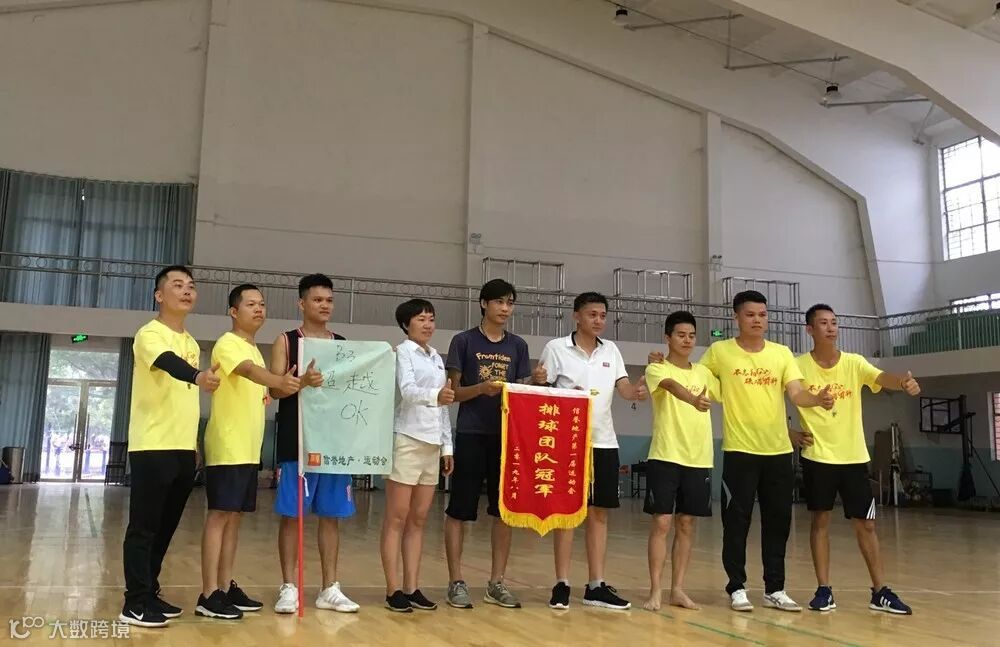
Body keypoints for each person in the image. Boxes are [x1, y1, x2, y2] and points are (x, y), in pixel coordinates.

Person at [652, 290, 833, 612]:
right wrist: (660, 362)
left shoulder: (781, 353)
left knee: (778, 523)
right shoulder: (719, 352)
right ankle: (736, 586)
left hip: (778, 453)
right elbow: (688, 372)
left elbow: (796, 393)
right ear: (737, 318)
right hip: (739, 451)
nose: (757, 320)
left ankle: (775, 588)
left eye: (762, 315)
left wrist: (816, 399)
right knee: (736, 523)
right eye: (750, 315)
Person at [793, 304, 918, 615]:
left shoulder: (854, 362)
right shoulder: (797, 366)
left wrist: (902, 382)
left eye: (834, 322)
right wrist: (788, 432)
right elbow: (774, 401)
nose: (830, 328)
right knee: (820, 521)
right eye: (823, 323)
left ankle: (880, 591)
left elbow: (881, 377)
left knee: (867, 524)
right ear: (810, 330)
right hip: (817, 455)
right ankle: (824, 590)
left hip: (853, 457)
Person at [120, 265, 220, 628]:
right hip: (152, 445)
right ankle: (134, 601)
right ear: (159, 295)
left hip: (181, 448)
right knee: (144, 527)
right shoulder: (149, 333)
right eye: (177, 285)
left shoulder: (191, 342)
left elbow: (185, 398)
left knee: (165, 528)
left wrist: (193, 445)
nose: (186, 290)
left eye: (190, 285)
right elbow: (167, 364)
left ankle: (150, 591)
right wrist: (198, 375)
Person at [536, 292, 647, 610]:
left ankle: (596, 585)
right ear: (576, 316)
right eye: (592, 314)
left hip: (604, 442)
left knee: (599, 513)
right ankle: (562, 583)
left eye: (602, 315)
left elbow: (623, 388)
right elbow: (543, 391)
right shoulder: (556, 348)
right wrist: (539, 380)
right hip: (567, 443)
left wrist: (635, 391)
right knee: (566, 514)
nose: (598, 320)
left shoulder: (611, 350)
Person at [197, 284, 300, 620]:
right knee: (219, 516)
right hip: (228, 445)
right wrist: (278, 381)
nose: (258, 309)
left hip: (247, 448)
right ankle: (208, 593)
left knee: (234, 519)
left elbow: (259, 381)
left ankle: (225, 586)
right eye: (251, 304)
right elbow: (250, 372)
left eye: (262, 304)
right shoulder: (228, 344)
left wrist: (277, 386)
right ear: (233, 311)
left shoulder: (254, 348)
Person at [270, 274, 360, 614]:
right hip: (297, 441)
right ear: (302, 303)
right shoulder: (286, 340)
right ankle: (289, 586)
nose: (325, 305)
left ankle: (329, 588)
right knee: (292, 516)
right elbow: (275, 389)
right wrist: (302, 382)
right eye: (318, 299)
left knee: (331, 516)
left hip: (333, 443)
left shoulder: (341, 343)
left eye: (329, 300)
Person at [444, 278, 531, 609]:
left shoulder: (518, 346)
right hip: (471, 434)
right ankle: (456, 581)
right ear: (484, 303)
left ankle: (497, 582)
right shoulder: (463, 341)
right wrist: (481, 388)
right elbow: (452, 393)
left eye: (510, 303)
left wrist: (537, 382)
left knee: (503, 511)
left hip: (507, 437)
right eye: (499, 302)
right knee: (459, 510)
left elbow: (522, 392)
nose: (505, 308)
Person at [380, 298, 456, 612]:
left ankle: (412, 586)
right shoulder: (401, 353)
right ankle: (393, 589)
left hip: (431, 444)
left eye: (431, 319)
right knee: (396, 517)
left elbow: (444, 405)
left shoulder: (436, 357)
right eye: (421, 319)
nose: (428, 324)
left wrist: (447, 446)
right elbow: (409, 391)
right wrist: (436, 395)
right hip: (406, 439)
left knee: (419, 518)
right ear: (406, 324)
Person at [641, 311, 719, 612]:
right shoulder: (656, 368)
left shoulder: (705, 373)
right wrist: (693, 400)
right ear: (668, 338)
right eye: (680, 335)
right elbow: (672, 386)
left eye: (691, 335)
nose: (687, 340)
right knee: (662, 522)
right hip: (665, 455)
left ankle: (677, 589)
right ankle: (655, 590)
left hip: (698, 458)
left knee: (686, 524)